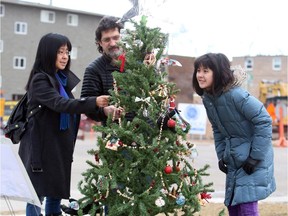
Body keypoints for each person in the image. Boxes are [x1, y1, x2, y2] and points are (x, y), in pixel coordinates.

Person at [19, 33, 110, 216]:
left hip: (58, 150)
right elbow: (61, 104)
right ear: (47, 53)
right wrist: (94, 101)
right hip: (40, 151)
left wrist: (103, 109)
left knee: (55, 196)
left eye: (67, 52)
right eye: (60, 52)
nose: (64, 56)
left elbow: (70, 107)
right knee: (36, 198)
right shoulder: (40, 80)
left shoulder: (62, 80)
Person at [192, 53, 276, 216]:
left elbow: (264, 120)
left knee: (246, 207)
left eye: (206, 71)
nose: (200, 75)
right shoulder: (209, 98)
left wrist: (255, 157)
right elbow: (218, 129)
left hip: (252, 159)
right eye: (198, 71)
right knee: (233, 206)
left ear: (217, 72)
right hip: (234, 158)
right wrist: (221, 155)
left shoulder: (236, 95)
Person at [80, 15, 125, 125]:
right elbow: (86, 105)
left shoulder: (139, 63)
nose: (113, 43)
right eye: (106, 39)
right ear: (100, 43)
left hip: (148, 136)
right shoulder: (93, 70)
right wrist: (104, 111)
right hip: (115, 137)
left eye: (115, 37)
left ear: (122, 37)